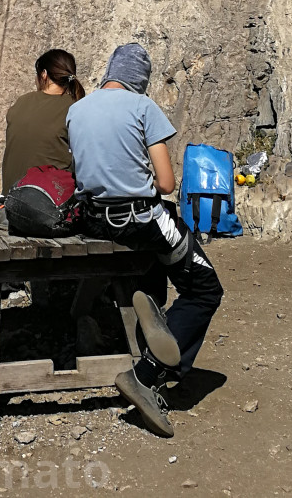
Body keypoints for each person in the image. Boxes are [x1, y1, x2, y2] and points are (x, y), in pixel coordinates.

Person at [67, 43, 224, 438]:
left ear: (109, 72)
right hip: (137, 220)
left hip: (94, 220)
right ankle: (148, 372)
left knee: (153, 266)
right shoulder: (143, 107)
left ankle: (153, 318)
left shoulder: (77, 109)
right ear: (141, 79)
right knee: (205, 288)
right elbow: (167, 183)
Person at [2, 48, 85, 194]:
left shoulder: (22, 101)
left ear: (44, 74)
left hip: (10, 197)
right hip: (48, 203)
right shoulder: (76, 107)